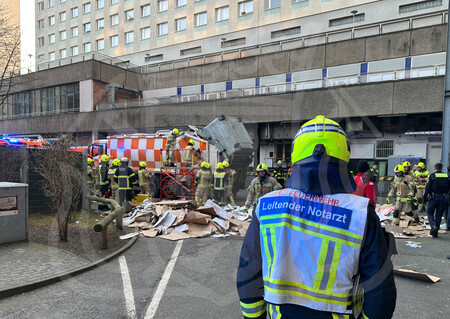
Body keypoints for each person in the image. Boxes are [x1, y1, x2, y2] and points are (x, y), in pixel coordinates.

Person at [237, 115, 396, 319]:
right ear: (344, 154)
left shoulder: (267, 206)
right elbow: (381, 290)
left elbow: (248, 273)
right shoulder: (361, 214)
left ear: (296, 154)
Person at [423, 162, 450, 237]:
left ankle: (433, 225)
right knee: (439, 215)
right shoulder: (446, 176)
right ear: (441, 169)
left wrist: (424, 198)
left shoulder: (432, 176)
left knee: (430, 212)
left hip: (433, 197)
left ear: (435, 168)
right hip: (443, 198)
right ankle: (435, 231)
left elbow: (428, 187)